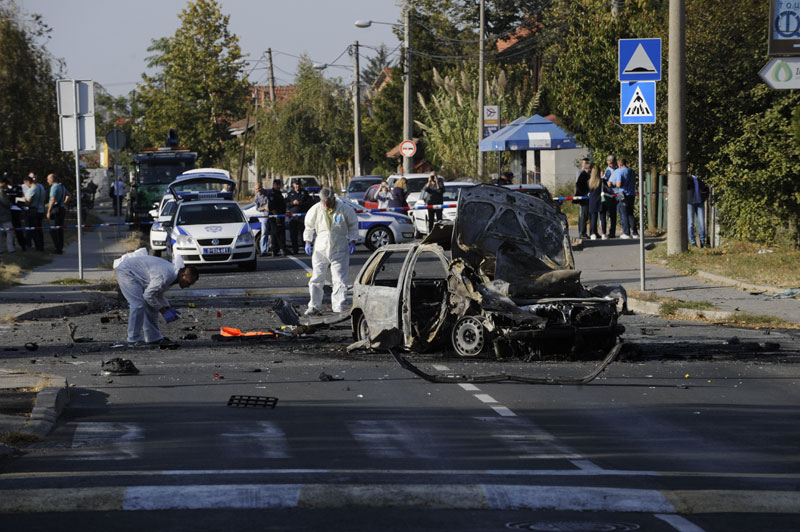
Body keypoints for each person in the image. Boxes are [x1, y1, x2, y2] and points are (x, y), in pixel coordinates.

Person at [114, 253, 199, 348]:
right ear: (183, 274)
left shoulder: (174, 275)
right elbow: (148, 295)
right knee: (138, 305)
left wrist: (167, 307)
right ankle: (133, 339)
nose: (188, 286)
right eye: (188, 282)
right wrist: (163, 310)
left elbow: (157, 294)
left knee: (151, 306)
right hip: (126, 272)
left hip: (135, 273)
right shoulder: (166, 276)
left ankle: (153, 338)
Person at [303, 187, 358, 315]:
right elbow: (309, 226)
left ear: (334, 199)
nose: (327, 206)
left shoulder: (344, 209)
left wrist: (353, 240)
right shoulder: (316, 209)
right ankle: (314, 305)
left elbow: (353, 225)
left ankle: (338, 305)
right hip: (320, 249)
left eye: (329, 203)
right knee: (317, 277)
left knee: (339, 278)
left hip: (339, 248)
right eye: (324, 204)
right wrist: (307, 241)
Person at [609, 157, 638, 239]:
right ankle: (635, 232)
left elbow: (619, 185)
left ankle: (626, 232)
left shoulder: (620, 171)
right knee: (630, 213)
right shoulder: (632, 171)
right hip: (631, 194)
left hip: (623, 194)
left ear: (620, 164)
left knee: (623, 213)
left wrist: (612, 184)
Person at [45, 174, 70, 254]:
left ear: (52, 179)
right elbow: (68, 195)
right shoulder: (62, 186)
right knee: (60, 229)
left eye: (48, 179)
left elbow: (52, 199)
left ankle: (57, 247)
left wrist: (48, 211)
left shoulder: (54, 187)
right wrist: (64, 203)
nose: (47, 181)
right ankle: (60, 247)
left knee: (53, 229)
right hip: (62, 209)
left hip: (55, 209)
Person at [286, 178, 311, 255]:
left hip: (302, 217)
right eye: (296, 184)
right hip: (293, 218)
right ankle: (295, 250)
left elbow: (309, 203)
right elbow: (286, 204)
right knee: (293, 235)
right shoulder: (290, 194)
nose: (297, 186)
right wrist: (292, 203)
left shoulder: (304, 193)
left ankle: (305, 249)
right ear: (293, 185)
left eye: (298, 184)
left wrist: (301, 203)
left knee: (304, 233)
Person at [22, 174, 45, 251]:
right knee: (38, 230)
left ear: (28, 182)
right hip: (40, 210)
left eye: (26, 184)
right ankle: (40, 246)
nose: (26, 186)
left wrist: (22, 201)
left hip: (32, 211)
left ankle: (32, 246)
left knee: (32, 230)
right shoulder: (40, 187)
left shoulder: (32, 189)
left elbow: (28, 202)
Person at [687, 172, 710, 248]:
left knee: (702, 223)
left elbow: (706, 189)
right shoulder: (688, 179)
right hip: (690, 203)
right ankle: (693, 242)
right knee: (690, 223)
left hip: (700, 203)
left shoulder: (701, 179)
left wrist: (705, 197)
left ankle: (702, 242)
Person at [266, 178, 288, 256]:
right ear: (274, 185)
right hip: (274, 217)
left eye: (279, 185)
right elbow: (271, 206)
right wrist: (276, 216)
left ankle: (278, 249)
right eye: (277, 185)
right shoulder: (272, 194)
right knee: (276, 233)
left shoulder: (279, 193)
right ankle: (277, 249)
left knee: (280, 233)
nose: (278, 186)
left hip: (280, 216)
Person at [587, 164, 609, 240]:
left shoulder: (589, 182)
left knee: (593, 218)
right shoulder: (602, 181)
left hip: (592, 201)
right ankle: (603, 234)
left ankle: (593, 234)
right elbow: (607, 189)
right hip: (601, 201)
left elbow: (588, 192)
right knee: (603, 218)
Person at [602, 155, 618, 238]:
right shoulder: (608, 170)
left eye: (611, 163)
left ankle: (613, 232)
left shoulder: (618, 168)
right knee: (611, 214)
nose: (610, 165)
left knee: (614, 215)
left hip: (617, 193)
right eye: (608, 163)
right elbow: (605, 182)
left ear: (615, 162)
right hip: (611, 194)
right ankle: (611, 232)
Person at [574, 158, 591, 239]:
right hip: (583, 197)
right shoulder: (581, 173)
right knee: (582, 215)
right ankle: (581, 232)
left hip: (586, 197)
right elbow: (578, 184)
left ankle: (584, 232)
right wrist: (584, 193)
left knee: (585, 215)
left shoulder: (588, 174)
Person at [253, 182, 270, 256]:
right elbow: (257, 208)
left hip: (272, 213)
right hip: (264, 214)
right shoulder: (256, 197)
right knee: (264, 233)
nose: (258, 190)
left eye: (259, 188)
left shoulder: (267, 193)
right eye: (256, 189)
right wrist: (264, 208)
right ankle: (263, 250)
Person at [0, 174, 15, 253]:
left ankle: (1, 248)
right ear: (3, 183)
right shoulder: (1, 191)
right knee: (10, 231)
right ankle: (10, 248)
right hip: (4, 215)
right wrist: (11, 204)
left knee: (1, 233)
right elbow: (5, 202)